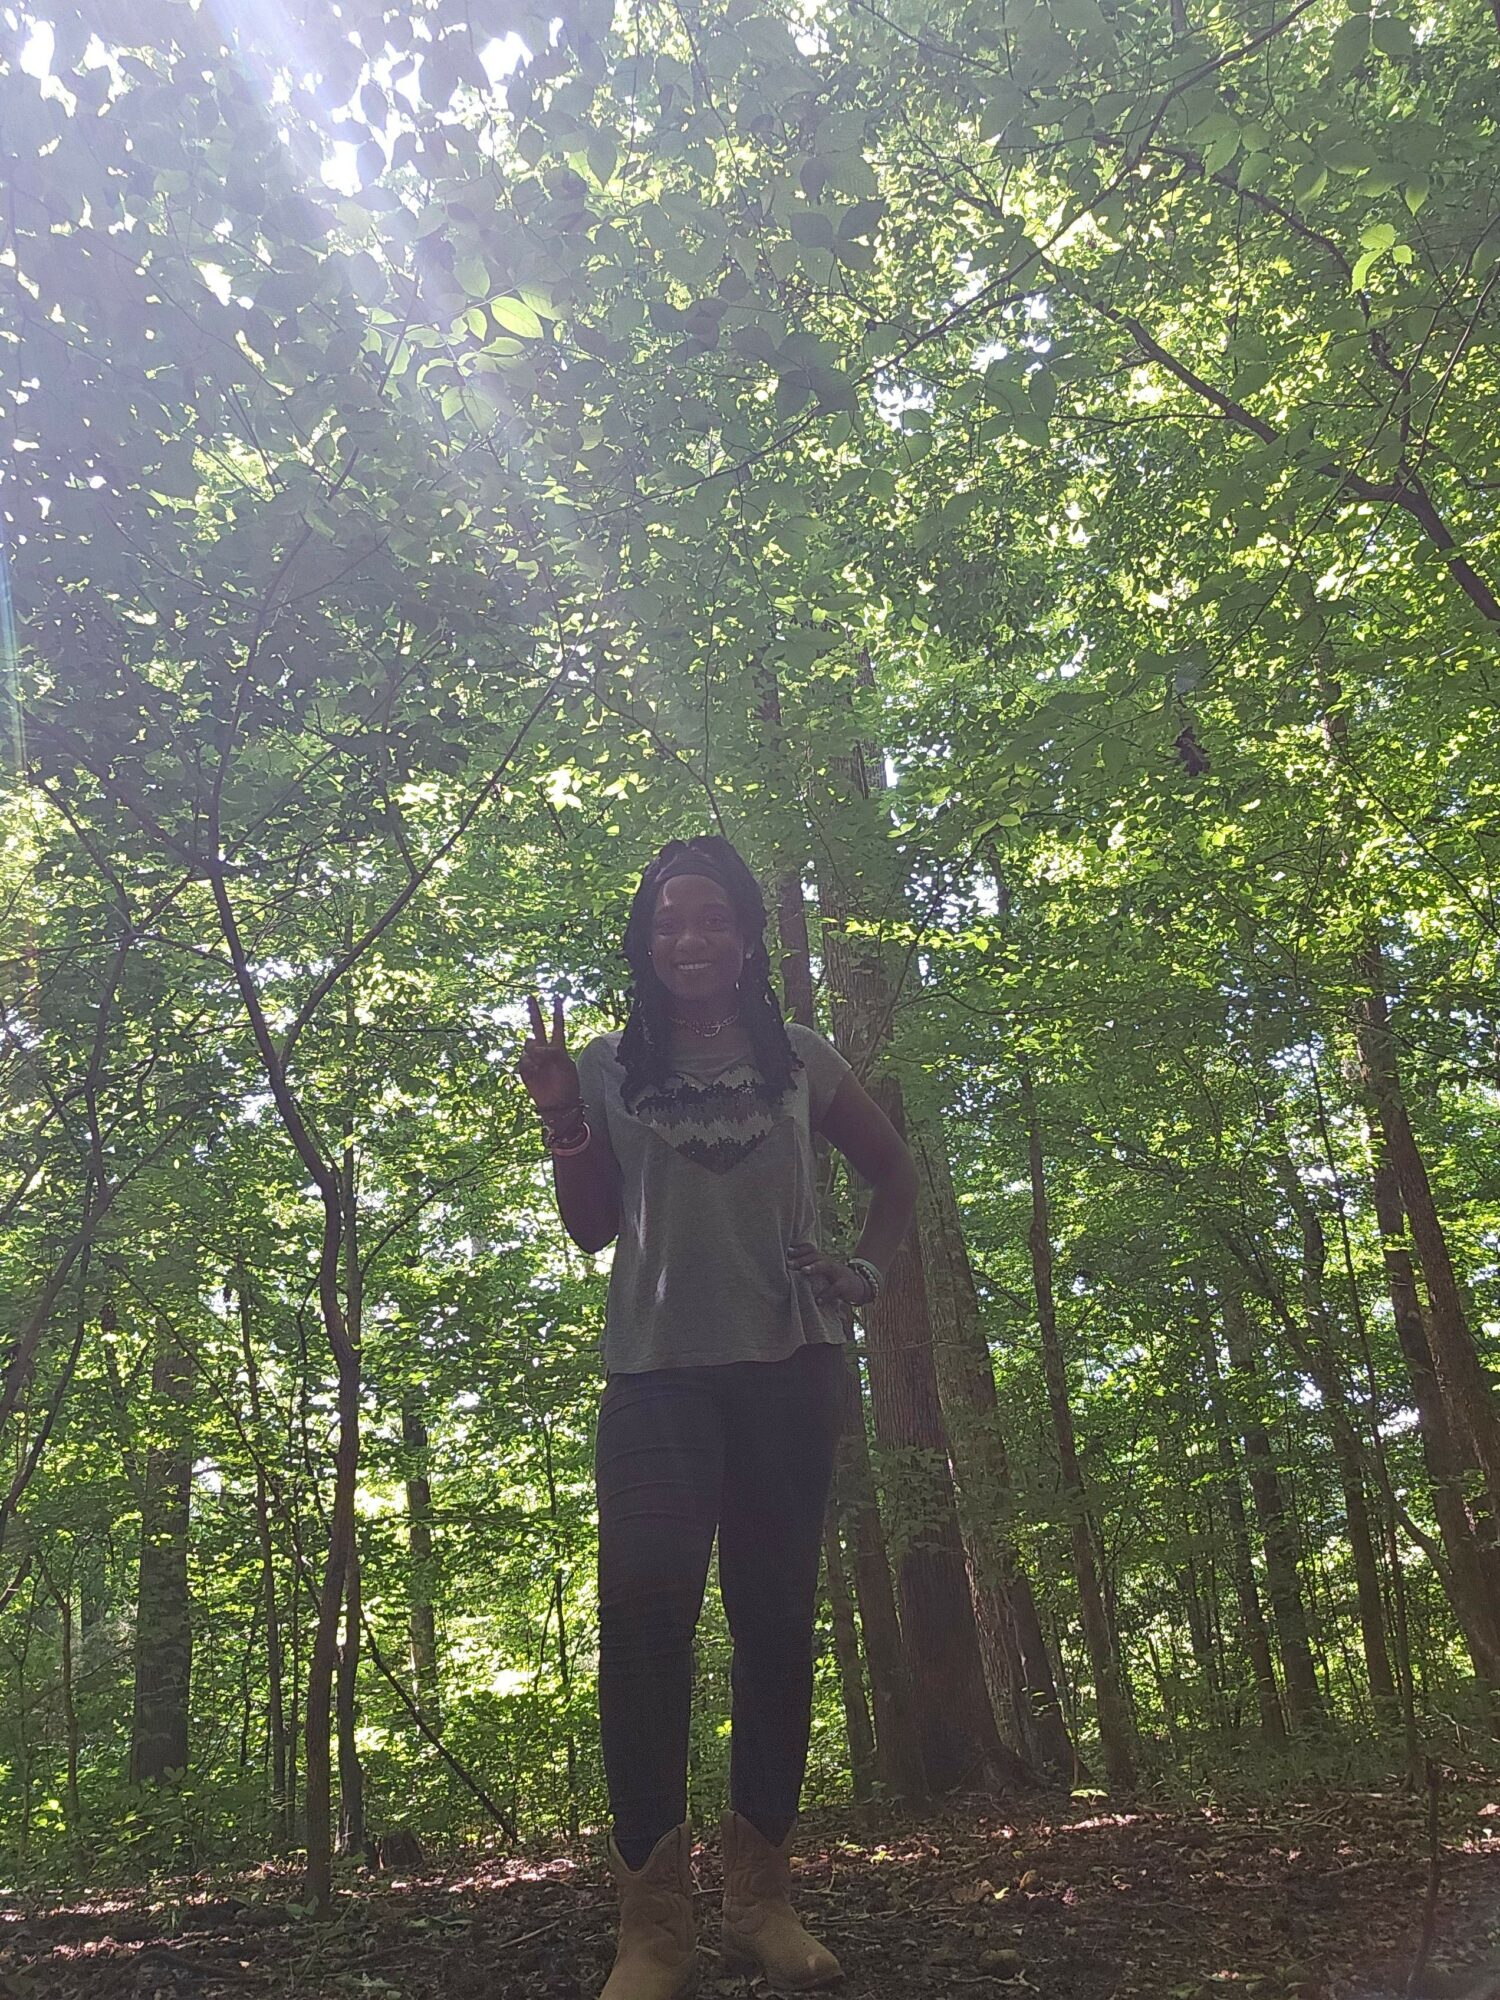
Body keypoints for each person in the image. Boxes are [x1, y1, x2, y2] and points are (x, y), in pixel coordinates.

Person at [518, 835, 917, 2000]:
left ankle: (761, 1900)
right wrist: (562, 1115)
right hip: (656, 1377)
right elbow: (591, 1229)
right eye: (667, 921)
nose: (688, 937)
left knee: (776, 1625)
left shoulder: (801, 1058)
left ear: (745, 937)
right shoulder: (608, 1063)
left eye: (710, 918)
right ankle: (652, 1932)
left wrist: (865, 1272)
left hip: (791, 1368)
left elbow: (896, 1175)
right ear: (645, 942)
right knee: (644, 1625)